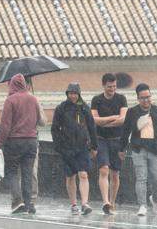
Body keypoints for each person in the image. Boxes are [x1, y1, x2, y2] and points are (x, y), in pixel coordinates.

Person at [119, 83, 157, 217]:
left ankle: (155, 200)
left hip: (155, 149)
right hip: (138, 149)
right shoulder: (132, 112)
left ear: (151, 96)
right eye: (142, 98)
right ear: (138, 99)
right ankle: (142, 205)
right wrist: (121, 148)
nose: (146, 100)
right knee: (141, 178)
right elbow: (125, 131)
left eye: (148, 97)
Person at [0, 73, 44, 215]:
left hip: (15, 141)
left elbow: (5, 125)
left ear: (12, 85)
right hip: (31, 141)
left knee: (11, 172)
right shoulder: (33, 99)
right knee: (27, 173)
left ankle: (17, 202)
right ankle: (29, 204)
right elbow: (38, 120)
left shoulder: (10, 100)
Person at [51, 83, 98, 216]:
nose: (73, 96)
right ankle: (73, 204)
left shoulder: (84, 108)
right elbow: (55, 129)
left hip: (82, 146)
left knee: (83, 174)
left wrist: (94, 146)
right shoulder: (61, 108)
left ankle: (84, 203)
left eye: (75, 93)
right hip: (67, 147)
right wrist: (59, 145)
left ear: (79, 94)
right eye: (70, 93)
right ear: (67, 94)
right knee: (70, 176)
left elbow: (92, 127)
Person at [91, 73, 127, 215]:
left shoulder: (121, 99)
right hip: (101, 139)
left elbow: (123, 119)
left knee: (115, 173)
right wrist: (113, 117)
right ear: (103, 86)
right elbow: (94, 120)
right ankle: (105, 201)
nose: (112, 89)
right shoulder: (96, 100)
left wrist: (103, 122)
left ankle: (112, 202)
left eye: (114, 86)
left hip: (117, 139)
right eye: (109, 86)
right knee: (103, 169)